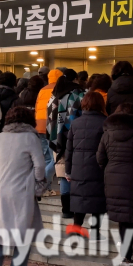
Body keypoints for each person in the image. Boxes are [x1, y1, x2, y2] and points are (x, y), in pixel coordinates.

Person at [0, 107, 46, 266]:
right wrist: (39, 183)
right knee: (23, 234)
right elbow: (40, 166)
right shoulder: (31, 138)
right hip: (23, 191)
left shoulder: (0, 137)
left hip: (2, 189)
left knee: (3, 229)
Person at [97, 103, 133, 266]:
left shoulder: (107, 133)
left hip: (112, 176)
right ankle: (126, 255)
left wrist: (109, 170)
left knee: (122, 215)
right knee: (130, 216)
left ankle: (125, 253)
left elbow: (100, 157)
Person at [65, 92, 107, 241]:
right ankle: (95, 231)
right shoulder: (105, 122)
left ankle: (76, 228)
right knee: (98, 199)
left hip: (78, 167)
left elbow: (69, 149)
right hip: (97, 166)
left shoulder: (76, 123)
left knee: (79, 198)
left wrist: (68, 170)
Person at [47, 69, 85, 219]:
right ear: (75, 79)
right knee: (78, 172)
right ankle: (78, 207)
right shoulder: (77, 94)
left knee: (63, 173)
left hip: (56, 138)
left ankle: (66, 210)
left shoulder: (53, 96)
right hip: (75, 137)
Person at [34, 68, 63, 197]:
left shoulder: (42, 89)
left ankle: (46, 188)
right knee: (55, 158)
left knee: (46, 157)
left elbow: (37, 107)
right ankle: (43, 185)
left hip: (39, 125)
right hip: (52, 126)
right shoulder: (59, 89)